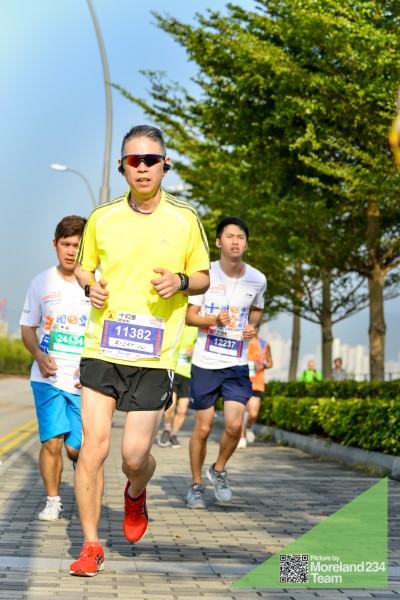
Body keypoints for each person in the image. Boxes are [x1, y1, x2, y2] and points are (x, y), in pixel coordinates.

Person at [69, 124, 210, 577]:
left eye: (151, 160)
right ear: (122, 167)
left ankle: (135, 492)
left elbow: (203, 276)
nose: (143, 167)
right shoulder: (102, 217)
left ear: (166, 165)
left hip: (154, 355)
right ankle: (91, 545)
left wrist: (181, 281)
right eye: (135, 160)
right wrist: (89, 287)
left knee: (133, 457)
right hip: (102, 346)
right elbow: (84, 268)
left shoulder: (185, 219)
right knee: (93, 449)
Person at [185, 216, 266, 510]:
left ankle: (218, 469)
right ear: (219, 242)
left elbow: (256, 308)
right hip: (206, 362)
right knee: (204, 428)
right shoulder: (204, 275)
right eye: (229, 236)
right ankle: (196, 485)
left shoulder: (257, 279)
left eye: (240, 237)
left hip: (236, 363)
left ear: (246, 244)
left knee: (234, 426)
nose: (235, 242)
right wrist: (212, 320)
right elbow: (189, 317)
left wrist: (253, 327)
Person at [20, 215, 89, 522]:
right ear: (55, 245)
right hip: (47, 378)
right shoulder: (41, 282)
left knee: (75, 449)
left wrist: (91, 367)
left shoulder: (97, 284)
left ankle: (82, 475)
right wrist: (38, 355)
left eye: (77, 246)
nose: (71, 251)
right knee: (52, 442)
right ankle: (53, 500)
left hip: (83, 381)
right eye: (66, 244)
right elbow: (28, 327)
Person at [157, 324, 198, 449]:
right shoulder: (177, 322)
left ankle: (173, 434)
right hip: (173, 371)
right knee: (170, 407)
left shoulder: (196, 329)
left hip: (187, 374)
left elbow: (202, 346)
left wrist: (195, 351)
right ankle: (166, 430)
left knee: (182, 410)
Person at [237, 328, 273, 449]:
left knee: (253, 413)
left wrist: (262, 365)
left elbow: (270, 363)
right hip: (240, 381)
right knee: (241, 411)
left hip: (256, 383)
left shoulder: (264, 344)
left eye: (255, 327)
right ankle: (242, 438)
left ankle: (248, 427)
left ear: (257, 329)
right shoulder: (240, 341)